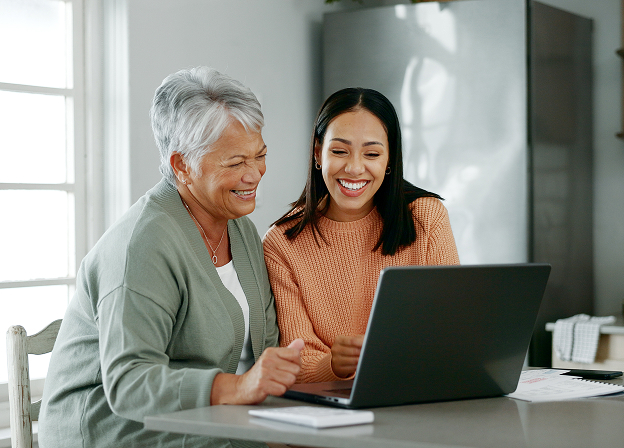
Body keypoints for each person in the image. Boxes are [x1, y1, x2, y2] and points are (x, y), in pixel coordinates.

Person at [38, 66, 303, 448]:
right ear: (182, 166)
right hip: (113, 435)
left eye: (259, 155)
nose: (255, 174)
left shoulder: (240, 228)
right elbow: (130, 383)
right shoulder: (142, 244)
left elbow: (264, 349)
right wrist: (238, 387)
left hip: (204, 429)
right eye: (234, 163)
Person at [263, 87, 460, 384]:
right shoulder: (282, 243)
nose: (355, 168)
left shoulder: (426, 218)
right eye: (339, 151)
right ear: (318, 153)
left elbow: (454, 332)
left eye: (371, 153)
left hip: (422, 397)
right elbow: (298, 361)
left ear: (390, 158)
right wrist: (333, 365)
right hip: (333, 410)